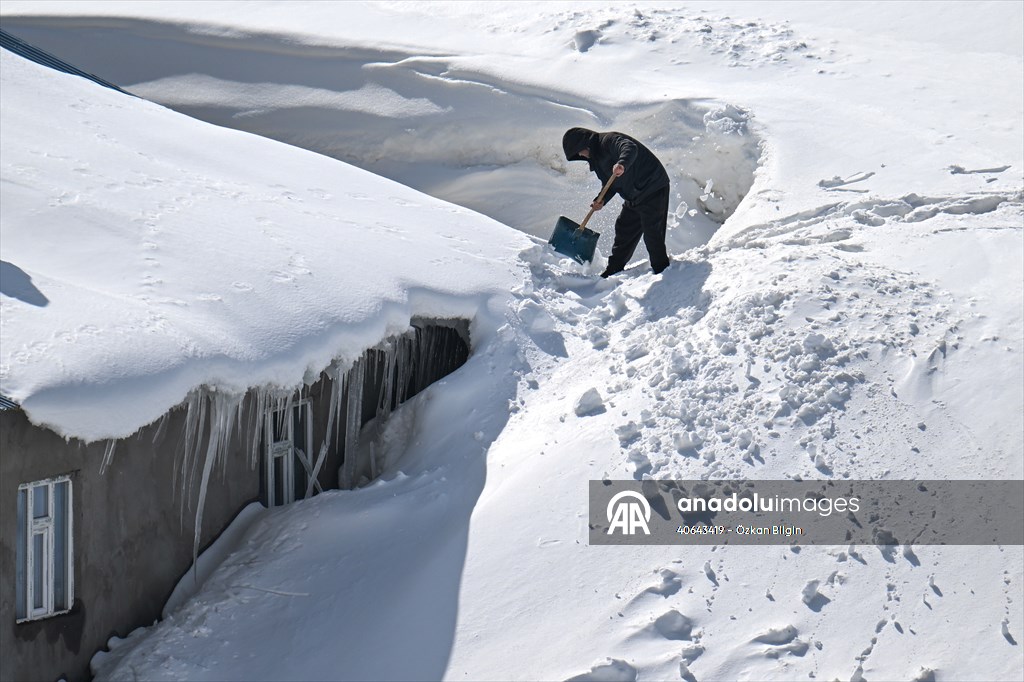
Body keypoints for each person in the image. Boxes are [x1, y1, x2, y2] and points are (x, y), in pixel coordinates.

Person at [562, 127, 671, 277]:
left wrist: (622, 163)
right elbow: (610, 184)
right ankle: (613, 270)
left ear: (586, 144)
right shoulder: (597, 160)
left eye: (580, 151)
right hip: (633, 196)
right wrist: (601, 200)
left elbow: (629, 147)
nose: (580, 155)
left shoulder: (608, 140)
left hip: (652, 187)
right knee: (624, 228)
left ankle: (663, 270)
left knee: (653, 233)